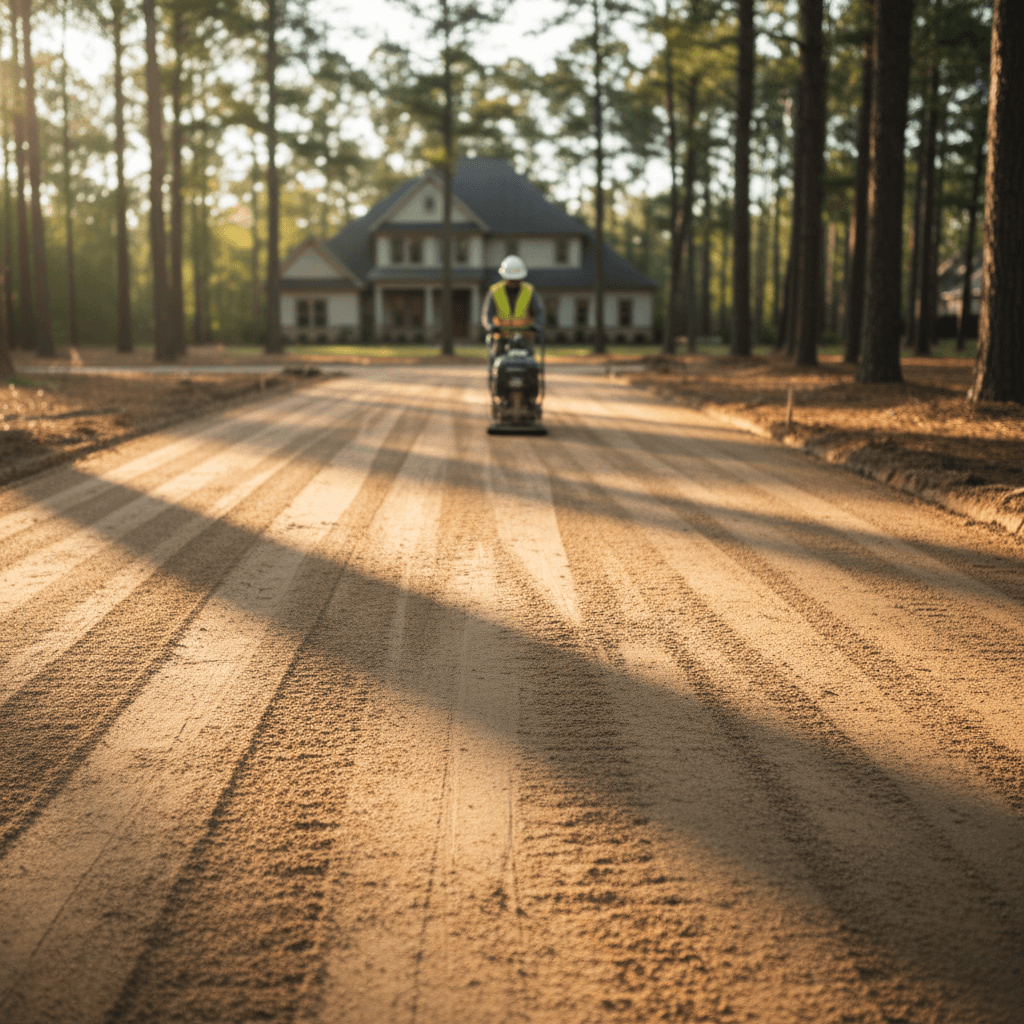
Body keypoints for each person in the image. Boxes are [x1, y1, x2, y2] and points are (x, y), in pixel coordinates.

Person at [481, 255, 546, 364]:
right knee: (496, 360)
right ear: (504, 277)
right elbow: (487, 314)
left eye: (516, 279)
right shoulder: (495, 291)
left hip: (525, 335)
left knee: (530, 362)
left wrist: (537, 326)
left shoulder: (529, 291)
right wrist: (491, 327)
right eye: (511, 279)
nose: (514, 281)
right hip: (502, 335)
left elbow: (539, 312)